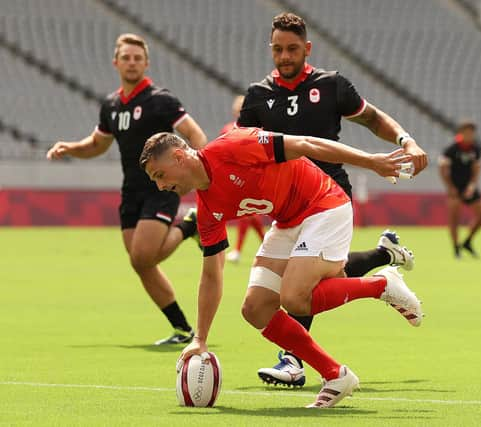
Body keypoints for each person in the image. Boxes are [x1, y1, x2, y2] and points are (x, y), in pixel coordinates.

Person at [139, 128, 424, 408]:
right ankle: (336, 376)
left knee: (295, 298)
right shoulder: (206, 210)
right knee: (255, 308)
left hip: (323, 204)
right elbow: (212, 274)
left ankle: (383, 284)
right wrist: (200, 339)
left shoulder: (232, 147)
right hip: (288, 221)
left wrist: (371, 161)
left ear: (179, 157)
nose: (160, 186)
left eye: (159, 175)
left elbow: (305, 142)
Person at [237, 12, 429, 386]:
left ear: (307, 48)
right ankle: (383, 258)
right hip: (289, 205)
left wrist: (407, 140)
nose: (284, 56)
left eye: (292, 49)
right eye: (277, 49)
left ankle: (293, 360)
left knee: (298, 287)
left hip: (330, 198)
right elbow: (242, 150)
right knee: (326, 281)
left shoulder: (331, 85)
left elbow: (372, 118)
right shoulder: (258, 96)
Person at [46, 33, 208, 345]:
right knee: (140, 263)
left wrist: (202, 168)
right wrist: (70, 148)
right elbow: (96, 145)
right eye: (126, 57)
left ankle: (190, 225)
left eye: (137, 58)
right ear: (116, 63)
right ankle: (182, 329)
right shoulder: (110, 105)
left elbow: (193, 133)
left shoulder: (162, 100)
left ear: (146, 63)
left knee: (144, 256)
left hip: (161, 187)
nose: (131, 62)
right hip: (130, 191)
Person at [218, 95, 266, 263]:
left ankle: (239, 251)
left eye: (242, 106)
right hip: (235, 178)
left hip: (253, 177)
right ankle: (265, 244)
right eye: (237, 106)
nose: (239, 109)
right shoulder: (227, 129)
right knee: (249, 214)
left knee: (249, 213)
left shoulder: (257, 130)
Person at [438, 121, 481, 258]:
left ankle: (467, 241)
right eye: (467, 132)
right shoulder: (452, 149)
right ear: (461, 132)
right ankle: (456, 248)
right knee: (454, 218)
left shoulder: (475, 149)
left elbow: (476, 169)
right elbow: (443, 169)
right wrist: (450, 187)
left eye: (472, 132)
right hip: (455, 188)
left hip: (468, 187)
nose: (470, 135)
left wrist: (472, 186)